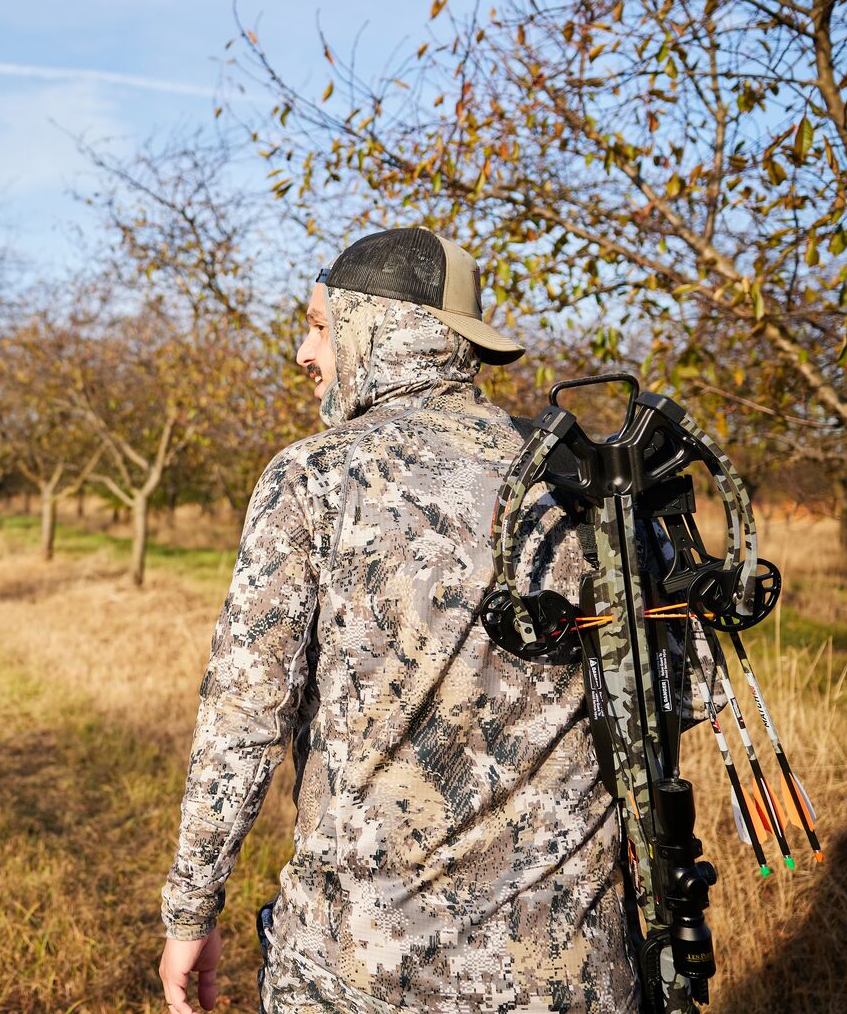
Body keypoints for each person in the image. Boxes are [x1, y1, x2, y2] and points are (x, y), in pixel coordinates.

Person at [157, 227, 635, 1014]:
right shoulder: (580, 477)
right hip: (574, 977)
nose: (303, 353)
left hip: (360, 979)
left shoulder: (314, 475)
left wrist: (189, 912)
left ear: (377, 328)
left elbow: (243, 719)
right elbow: (671, 697)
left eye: (319, 324)